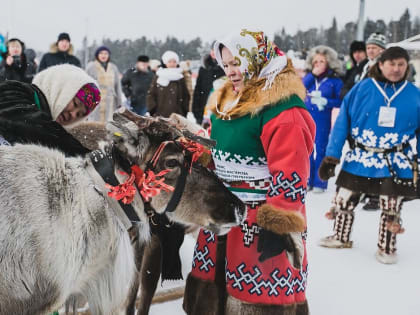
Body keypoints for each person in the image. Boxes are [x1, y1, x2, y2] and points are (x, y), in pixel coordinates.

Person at [183, 29, 315, 315]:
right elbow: (219, 148)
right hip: (222, 212)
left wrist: (277, 224)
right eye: (226, 64)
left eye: (237, 63)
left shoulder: (283, 111)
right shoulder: (228, 101)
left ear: (257, 60)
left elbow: (291, 174)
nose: (230, 71)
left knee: (256, 295)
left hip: (259, 220)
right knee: (215, 289)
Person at [318, 47, 420, 264]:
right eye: (391, 64)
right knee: (344, 200)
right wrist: (332, 156)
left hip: (394, 160)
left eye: (401, 64)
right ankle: (340, 237)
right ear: (380, 64)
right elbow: (341, 123)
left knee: (390, 206)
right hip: (360, 158)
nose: (396, 69)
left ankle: (387, 247)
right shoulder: (362, 88)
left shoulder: (414, 95)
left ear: (407, 66)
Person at [0, 64, 100, 156]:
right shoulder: (15, 90)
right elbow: (33, 126)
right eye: (75, 103)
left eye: (79, 114)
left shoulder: (52, 131)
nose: (73, 114)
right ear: (61, 88)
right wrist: (87, 158)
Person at [303, 45, 343, 193]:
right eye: (315, 61)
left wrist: (326, 102)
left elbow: (340, 101)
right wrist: (312, 75)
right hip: (307, 117)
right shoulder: (310, 78)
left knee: (320, 149)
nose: (318, 64)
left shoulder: (335, 81)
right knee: (307, 149)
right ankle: (307, 179)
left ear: (328, 63)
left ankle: (319, 182)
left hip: (322, 119)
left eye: (321, 61)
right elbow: (300, 88)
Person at [146, 50, 190, 117]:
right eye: (169, 62)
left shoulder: (180, 77)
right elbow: (151, 94)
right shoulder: (159, 76)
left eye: (174, 62)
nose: (172, 64)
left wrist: (184, 110)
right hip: (160, 114)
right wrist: (152, 109)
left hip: (178, 115)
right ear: (165, 63)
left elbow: (186, 96)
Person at [86, 46, 122, 122]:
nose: (103, 55)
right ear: (97, 55)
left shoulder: (113, 68)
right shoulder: (91, 67)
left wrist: (119, 102)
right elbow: (85, 85)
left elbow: (117, 86)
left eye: (106, 53)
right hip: (95, 102)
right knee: (94, 126)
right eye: (101, 53)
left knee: (108, 125)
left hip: (110, 102)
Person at [191, 48, 225, 124]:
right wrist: (196, 111)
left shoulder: (225, 68)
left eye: (217, 50)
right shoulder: (203, 68)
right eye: (212, 49)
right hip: (203, 109)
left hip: (221, 110)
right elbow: (198, 90)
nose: (214, 52)